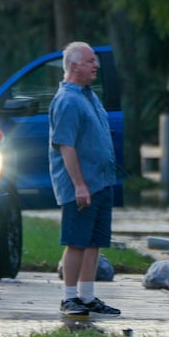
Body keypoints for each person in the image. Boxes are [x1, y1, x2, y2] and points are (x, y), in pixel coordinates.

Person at [48, 41, 122, 316]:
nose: (96, 66)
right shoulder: (67, 101)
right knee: (76, 241)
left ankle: (88, 297)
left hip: (101, 182)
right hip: (81, 185)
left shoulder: (88, 95)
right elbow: (65, 146)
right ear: (74, 65)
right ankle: (69, 298)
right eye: (91, 61)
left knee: (95, 242)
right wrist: (79, 184)